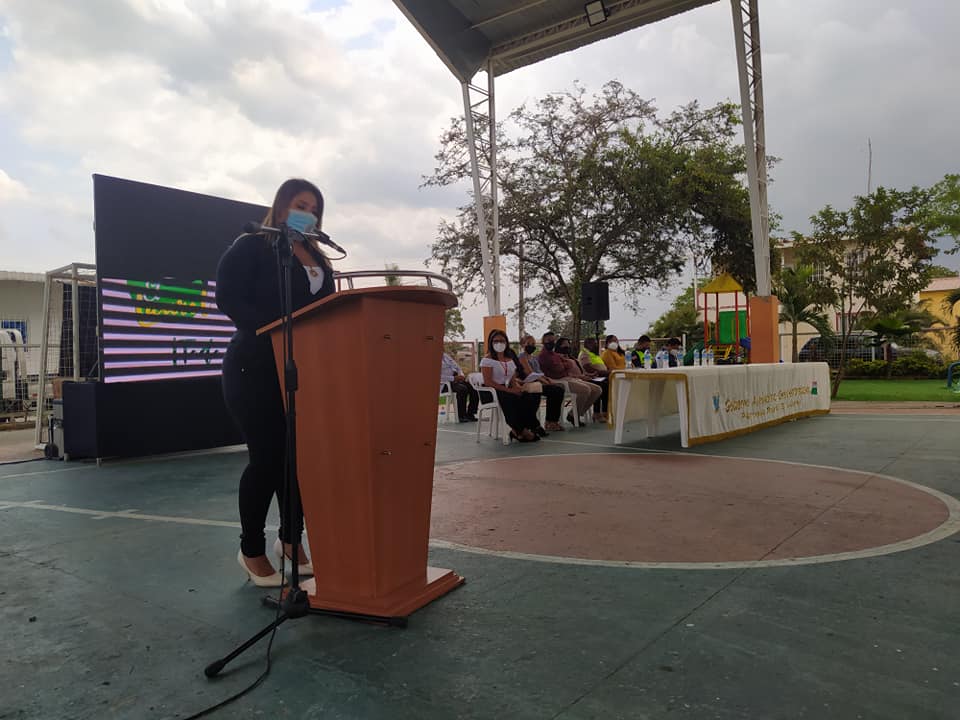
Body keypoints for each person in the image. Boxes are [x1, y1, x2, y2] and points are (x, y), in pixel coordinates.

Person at [216, 178, 334, 587]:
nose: (308, 214)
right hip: (254, 367)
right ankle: (251, 550)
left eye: (314, 210)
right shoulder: (253, 246)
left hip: (301, 370)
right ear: (281, 206)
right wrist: (273, 331)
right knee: (266, 459)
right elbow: (228, 297)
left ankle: (290, 540)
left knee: (295, 461)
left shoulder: (318, 257)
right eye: (301, 205)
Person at [479, 329, 542, 442]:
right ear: (491, 343)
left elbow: (512, 378)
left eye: (502, 341)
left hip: (506, 387)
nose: (499, 343)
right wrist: (510, 390)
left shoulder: (509, 359)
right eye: (496, 341)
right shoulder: (487, 360)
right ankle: (520, 430)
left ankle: (526, 426)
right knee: (510, 398)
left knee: (528, 396)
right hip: (491, 390)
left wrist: (517, 388)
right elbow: (488, 382)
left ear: (506, 343)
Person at [540, 334, 602, 424]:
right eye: (549, 340)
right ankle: (574, 415)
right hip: (557, 380)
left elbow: (567, 365)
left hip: (568, 377)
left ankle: (574, 414)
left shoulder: (554, 355)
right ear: (543, 342)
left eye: (553, 340)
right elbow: (558, 368)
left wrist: (564, 365)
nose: (551, 342)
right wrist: (565, 364)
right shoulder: (543, 356)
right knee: (585, 389)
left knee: (597, 390)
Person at [519, 334, 565, 433]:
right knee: (554, 391)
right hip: (529, 385)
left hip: (539, 383)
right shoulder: (521, 357)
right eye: (529, 344)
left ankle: (551, 421)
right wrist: (546, 382)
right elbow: (530, 373)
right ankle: (550, 422)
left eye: (533, 344)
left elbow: (540, 373)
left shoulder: (534, 358)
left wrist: (548, 379)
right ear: (522, 345)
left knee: (559, 390)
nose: (531, 346)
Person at [440, 347, 478, 422]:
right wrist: (453, 378)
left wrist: (461, 376)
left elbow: (458, 367)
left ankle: (470, 413)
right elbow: (436, 377)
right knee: (462, 389)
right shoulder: (432, 359)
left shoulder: (446, 356)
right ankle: (461, 415)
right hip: (445, 383)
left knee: (473, 387)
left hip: (456, 379)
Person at [578, 337, 610, 422]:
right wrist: (602, 373)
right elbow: (588, 368)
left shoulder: (594, 354)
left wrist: (607, 371)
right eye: (594, 344)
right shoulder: (584, 353)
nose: (596, 345)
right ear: (587, 344)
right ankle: (596, 413)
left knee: (607, 384)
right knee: (600, 386)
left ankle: (605, 411)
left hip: (599, 377)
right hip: (589, 377)